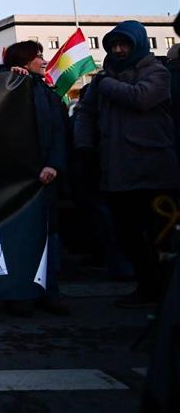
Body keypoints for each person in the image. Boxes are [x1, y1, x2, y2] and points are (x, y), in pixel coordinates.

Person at [74, 20, 180, 308]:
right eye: (114, 46)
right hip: (116, 172)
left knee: (159, 235)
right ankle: (147, 287)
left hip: (154, 172)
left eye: (124, 45)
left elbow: (141, 98)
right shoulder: (104, 78)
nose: (119, 50)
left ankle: (166, 292)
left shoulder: (157, 72)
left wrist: (105, 83)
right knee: (128, 236)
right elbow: (85, 113)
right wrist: (84, 145)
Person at [4, 40, 70, 315]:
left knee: (49, 234)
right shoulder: (7, 86)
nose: (44, 61)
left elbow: (59, 131)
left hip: (44, 177)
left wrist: (54, 164)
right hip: (16, 179)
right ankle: (22, 293)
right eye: (38, 57)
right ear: (23, 62)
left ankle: (49, 291)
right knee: (18, 236)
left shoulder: (47, 93)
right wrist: (5, 74)